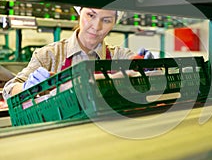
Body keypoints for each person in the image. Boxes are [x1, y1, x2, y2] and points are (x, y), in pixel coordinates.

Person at [3, 7, 153, 100]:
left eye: (106, 20)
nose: (96, 26)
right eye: (91, 15)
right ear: (80, 13)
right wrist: (27, 88)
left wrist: (148, 67)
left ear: (114, 23)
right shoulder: (49, 55)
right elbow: (9, 90)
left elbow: (150, 83)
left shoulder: (119, 56)